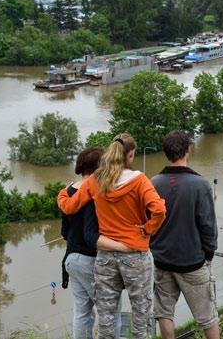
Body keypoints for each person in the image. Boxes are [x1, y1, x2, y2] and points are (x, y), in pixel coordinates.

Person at [58, 133, 166, 339]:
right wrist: (147, 229)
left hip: (105, 258)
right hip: (136, 255)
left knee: (106, 318)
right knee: (141, 314)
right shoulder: (139, 180)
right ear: (131, 155)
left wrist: (62, 193)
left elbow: (69, 207)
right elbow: (159, 210)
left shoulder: (95, 181)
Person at [150, 131, 219, 339]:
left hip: (161, 260)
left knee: (164, 312)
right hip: (193, 262)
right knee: (208, 316)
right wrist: (208, 254)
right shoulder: (200, 184)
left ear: (165, 153)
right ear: (188, 149)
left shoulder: (153, 183)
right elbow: (208, 226)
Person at [59, 148, 123, 339]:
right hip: (91, 261)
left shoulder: (68, 191)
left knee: (82, 313)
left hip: (72, 260)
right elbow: (95, 234)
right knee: (111, 311)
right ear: (98, 167)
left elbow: (64, 232)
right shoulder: (95, 192)